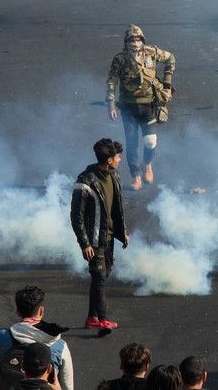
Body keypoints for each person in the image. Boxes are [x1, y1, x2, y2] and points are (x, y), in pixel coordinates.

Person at [106, 24, 176, 190]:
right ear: (126, 42)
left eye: (138, 39)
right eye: (131, 40)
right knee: (131, 144)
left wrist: (167, 83)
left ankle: (148, 164)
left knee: (151, 141)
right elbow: (111, 81)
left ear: (142, 40)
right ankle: (136, 176)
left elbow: (170, 59)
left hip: (149, 105)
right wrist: (111, 104)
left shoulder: (151, 52)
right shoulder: (120, 59)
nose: (135, 43)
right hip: (128, 107)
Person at [70, 138, 130, 330]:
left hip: (110, 237)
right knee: (99, 277)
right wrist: (85, 243)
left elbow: (117, 209)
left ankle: (92, 317)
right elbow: (76, 216)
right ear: (109, 159)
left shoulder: (115, 176)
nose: (120, 159)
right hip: (95, 240)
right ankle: (103, 320)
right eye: (117, 156)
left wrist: (123, 232)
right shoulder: (85, 181)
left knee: (101, 277)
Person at [0, 286, 74, 390]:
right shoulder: (60, 345)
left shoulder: (1, 337)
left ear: (18, 312)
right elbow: (68, 386)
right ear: (41, 311)